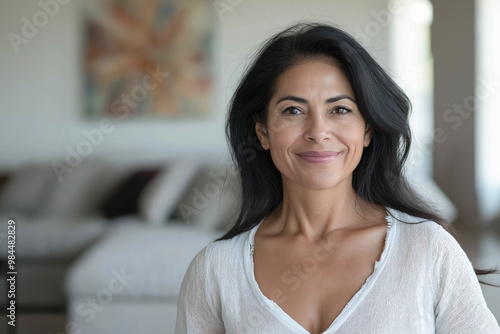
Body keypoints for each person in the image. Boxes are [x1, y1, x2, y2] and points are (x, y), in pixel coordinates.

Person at [175, 22, 500, 334]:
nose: (318, 132)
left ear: (368, 128)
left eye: (340, 109)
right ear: (262, 132)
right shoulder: (214, 271)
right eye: (293, 110)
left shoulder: (429, 249)